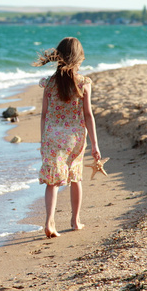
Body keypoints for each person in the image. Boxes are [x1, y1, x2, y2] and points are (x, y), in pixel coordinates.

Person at [32, 37, 101, 238]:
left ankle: (49, 222)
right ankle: (75, 221)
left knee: (52, 181)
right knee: (75, 177)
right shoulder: (84, 83)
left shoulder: (49, 83)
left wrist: (43, 138)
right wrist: (95, 144)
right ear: (79, 58)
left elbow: (44, 114)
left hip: (52, 136)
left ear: (58, 57)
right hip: (75, 137)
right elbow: (88, 115)